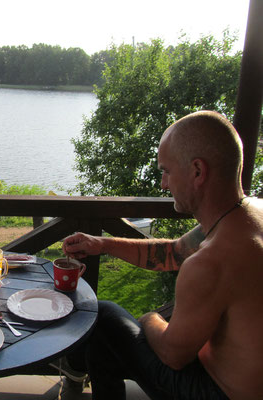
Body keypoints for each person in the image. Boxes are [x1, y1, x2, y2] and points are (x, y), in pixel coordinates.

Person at [61, 110, 263, 400]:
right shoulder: (249, 216)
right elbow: (172, 253)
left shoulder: (211, 261)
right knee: (107, 329)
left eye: (166, 171)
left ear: (197, 171)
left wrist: (150, 319)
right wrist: (102, 244)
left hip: (216, 391)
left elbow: (172, 355)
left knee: (102, 316)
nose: (162, 184)